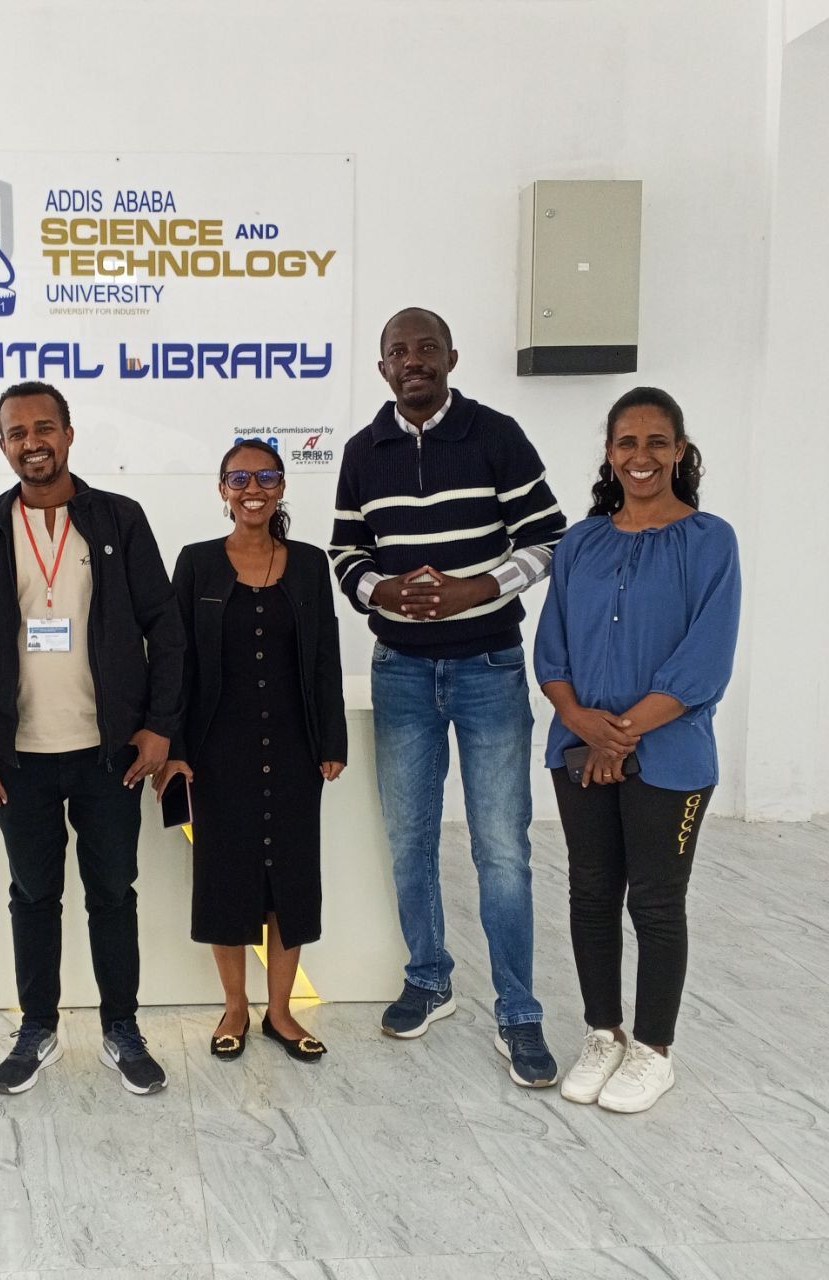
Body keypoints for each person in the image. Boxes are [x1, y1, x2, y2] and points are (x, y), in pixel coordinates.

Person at [328, 306, 567, 1087]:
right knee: (408, 840)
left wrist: (477, 588)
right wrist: (381, 588)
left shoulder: (496, 435)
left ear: (452, 357)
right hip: (400, 669)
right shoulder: (364, 452)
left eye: (427, 348)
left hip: (489, 667)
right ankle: (430, 977)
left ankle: (519, 1010)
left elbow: (551, 538)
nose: (414, 361)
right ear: (383, 368)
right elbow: (344, 551)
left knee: (501, 848)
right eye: (398, 351)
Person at [0, 381, 185, 1096]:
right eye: (17, 433)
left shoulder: (118, 519)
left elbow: (164, 629)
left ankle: (121, 1028)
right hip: (19, 759)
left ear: (70, 435)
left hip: (108, 752)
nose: (32, 442)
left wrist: (159, 727)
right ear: (3, 446)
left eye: (44, 428)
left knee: (114, 892)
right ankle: (38, 1027)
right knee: (32, 894)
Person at [534, 387, 740, 1114]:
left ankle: (653, 1049)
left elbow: (705, 662)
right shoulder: (582, 542)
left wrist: (620, 734)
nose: (642, 456)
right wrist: (583, 724)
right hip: (576, 746)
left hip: (672, 754)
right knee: (591, 894)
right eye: (627, 442)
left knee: (655, 901)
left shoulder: (711, 540)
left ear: (680, 452)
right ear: (610, 454)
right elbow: (552, 649)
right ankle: (603, 1032)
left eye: (658, 442)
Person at [158, 440, 347, 1062]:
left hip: (295, 750)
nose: (253, 488)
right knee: (226, 878)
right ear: (222, 491)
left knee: (289, 878)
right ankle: (236, 1009)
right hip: (218, 753)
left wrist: (332, 740)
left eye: (265, 476)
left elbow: (324, 659)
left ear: (282, 485)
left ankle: (282, 1013)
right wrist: (176, 748)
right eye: (239, 478)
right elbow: (176, 662)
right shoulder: (196, 564)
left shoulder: (311, 565)